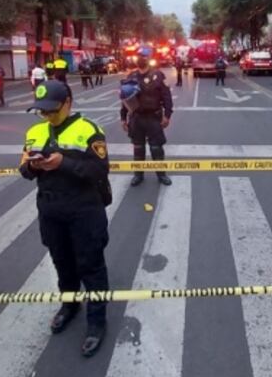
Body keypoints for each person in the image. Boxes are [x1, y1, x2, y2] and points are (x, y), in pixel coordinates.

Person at [19, 80, 111, 357]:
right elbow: (24, 170)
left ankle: (97, 321)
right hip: (51, 211)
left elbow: (99, 170)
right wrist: (34, 166)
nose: (47, 116)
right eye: (42, 111)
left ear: (68, 103)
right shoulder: (35, 132)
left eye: (52, 110)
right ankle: (70, 305)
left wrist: (64, 163)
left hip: (84, 210)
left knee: (91, 265)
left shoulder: (89, 130)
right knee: (62, 262)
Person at [120, 46, 174, 187]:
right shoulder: (131, 77)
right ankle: (138, 175)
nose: (141, 59)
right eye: (139, 56)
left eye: (144, 56)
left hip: (153, 117)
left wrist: (167, 115)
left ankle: (161, 175)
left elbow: (167, 97)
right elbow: (125, 99)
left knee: (156, 148)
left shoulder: (158, 75)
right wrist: (123, 118)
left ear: (149, 58)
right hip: (136, 118)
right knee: (138, 148)